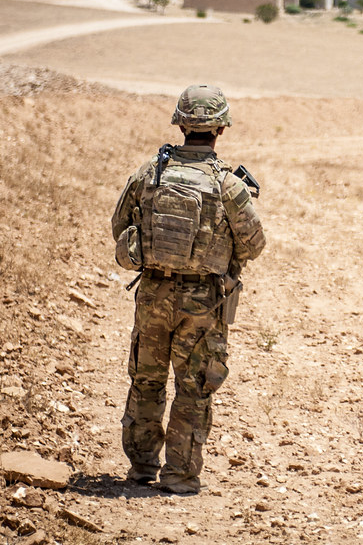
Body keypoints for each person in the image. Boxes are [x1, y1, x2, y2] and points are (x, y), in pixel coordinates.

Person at [111, 84, 266, 494]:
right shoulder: (228, 185)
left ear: (181, 125)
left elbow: (118, 227)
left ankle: (141, 467)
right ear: (221, 129)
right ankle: (179, 474)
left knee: (146, 381)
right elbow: (254, 244)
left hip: (152, 296)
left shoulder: (151, 173)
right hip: (202, 303)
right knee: (193, 388)